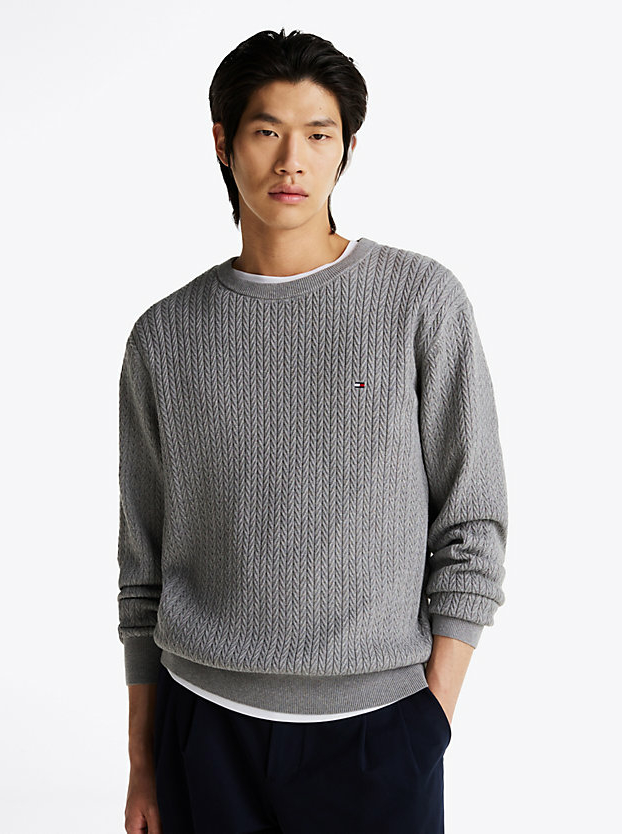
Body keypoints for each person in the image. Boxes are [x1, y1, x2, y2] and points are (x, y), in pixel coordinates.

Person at [117, 27, 509, 834]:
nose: (291, 160)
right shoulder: (164, 336)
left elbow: (472, 521)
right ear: (223, 143)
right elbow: (142, 561)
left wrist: (429, 718)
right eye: (266, 131)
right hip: (203, 727)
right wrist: (143, 762)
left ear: (347, 149)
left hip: (380, 733)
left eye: (318, 135)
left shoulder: (418, 301)